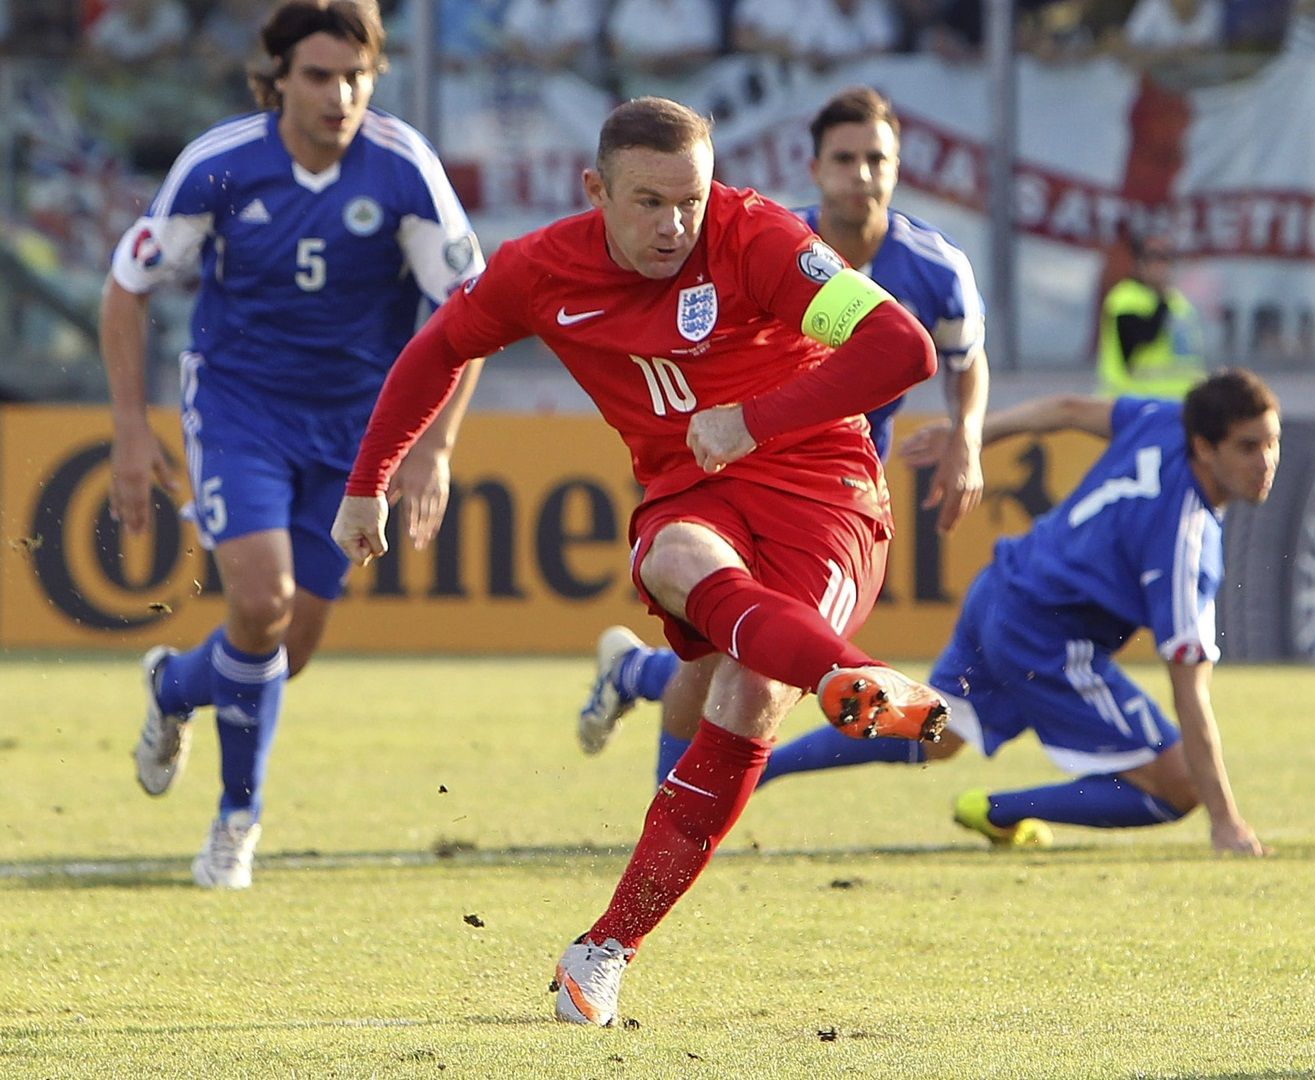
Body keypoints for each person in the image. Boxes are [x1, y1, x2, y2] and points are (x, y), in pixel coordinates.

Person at [331, 97, 952, 1025]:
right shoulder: (541, 269)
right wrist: (368, 479)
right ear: (597, 191)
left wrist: (754, 418)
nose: (674, 227)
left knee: (745, 692)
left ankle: (604, 947)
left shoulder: (760, 238)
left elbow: (903, 347)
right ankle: (852, 678)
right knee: (671, 558)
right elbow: (441, 347)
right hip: (691, 488)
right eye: (649, 203)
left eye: (690, 202)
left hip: (823, 490)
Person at [108, 0, 484, 890]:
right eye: (317, 75)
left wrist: (432, 449)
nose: (339, 94)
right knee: (262, 598)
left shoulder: (403, 170)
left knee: (285, 648)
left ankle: (171, 689)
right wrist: (129, 427)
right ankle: (237, 822)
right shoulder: (220, 166)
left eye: (356, 76)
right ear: (276, 77)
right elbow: (128, 287)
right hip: (242, 408)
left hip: (359, 431)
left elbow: (471, 312)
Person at [577, 85, 991, 782]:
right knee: (742, 656)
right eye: (845, 159)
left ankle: (635, 684)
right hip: (742, 473)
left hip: (836, 489)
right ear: (815, 168)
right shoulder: (771, 242)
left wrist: (967, 439)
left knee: (745, 655)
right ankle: (674, 800)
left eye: (876, 159)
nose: (861, 175)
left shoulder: (936, 266)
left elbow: (964, 359)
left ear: (897, 168)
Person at [756, 370, 1275, 857]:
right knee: (1181, 785)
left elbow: (1068, 408)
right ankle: (1000, 811)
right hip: (1045, 633)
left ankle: (758, 767)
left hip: (1003, 589)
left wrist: (971, 437)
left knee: (938, 732)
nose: (1266, 460)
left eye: (1272, 443)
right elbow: (1190, 691)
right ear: (1205, 448)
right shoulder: (1187, 543)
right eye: (1249, 446)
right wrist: (1225, 820)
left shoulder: (1163, 422)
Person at [1097, 227, 1205, 398]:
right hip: (1135, 404)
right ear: (1138, 263)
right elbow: (1143, 336)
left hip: (1178, 404)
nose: (1161, 265)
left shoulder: (1179, 302)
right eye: (1154, 257)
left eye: (1167, 257)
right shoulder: (1126, 298)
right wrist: (1161, 298)